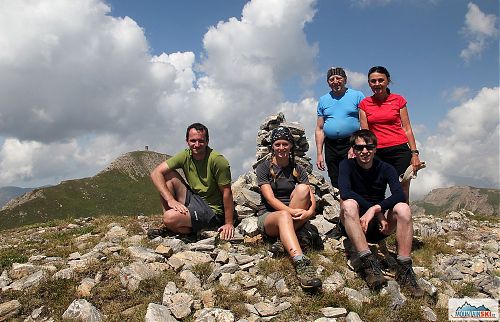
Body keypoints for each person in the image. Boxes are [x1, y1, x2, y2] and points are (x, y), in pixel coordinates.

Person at [338, 129, 424, 297]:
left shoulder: (386, 168)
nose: (365, 151)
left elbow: (399, 194)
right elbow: (345, 192)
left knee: (403, 208)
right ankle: (369, 264)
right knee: (348, 204)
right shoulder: (346, 165)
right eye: (359, 148)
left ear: (375, 149)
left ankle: (404, 269)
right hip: (353, 224)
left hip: (378, 226)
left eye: (369, 147)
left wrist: (375, 209)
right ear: (353, 150)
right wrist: (376, 212)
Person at [256, 126, 322, 289]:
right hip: (270, 217)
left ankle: (283, 241)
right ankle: (301, 263)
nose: (281, 148)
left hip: (293, 215)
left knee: (303, 189)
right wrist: (291, 212)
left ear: (291, 145)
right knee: (284, 216)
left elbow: (309, 194)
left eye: (285, 144)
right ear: (272, 146)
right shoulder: (263, 168)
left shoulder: (298, 169)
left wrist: (310, 212)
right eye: (277, 144)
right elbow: (270, 199)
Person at [148, 123, 235, 240]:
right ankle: (174, 223)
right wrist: (171, 200)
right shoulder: (185, 155)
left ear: (207, 141)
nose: (197, 145)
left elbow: (226, 192)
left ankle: (181, 226)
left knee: (169, 217)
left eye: (201, 141)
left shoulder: (218, 160)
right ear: (187, 141)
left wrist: (229, 223)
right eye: (193, 141)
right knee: (168, 175)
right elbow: (155, 173)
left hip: (212, 211)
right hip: (195, 198)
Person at [359, 66, 423, 201]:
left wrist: (414, 153)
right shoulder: (364, 104)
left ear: (388, 81)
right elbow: (365, 133)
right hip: (376, 152)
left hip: (399, 151)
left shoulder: (398, 100)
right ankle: (378, 220)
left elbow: (407, 128)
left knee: (402, 188)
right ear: (369, 83)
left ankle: (402, 220)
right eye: (373, 81)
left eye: (381, 80)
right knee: (375, 188)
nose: (377, 84)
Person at [316, 67, 365, 188]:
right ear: (328, 82)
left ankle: (357, 205)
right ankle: (339, 205)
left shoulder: (357, 95)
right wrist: (319, 154)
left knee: (353, 176)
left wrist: (356, 145)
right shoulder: (323, 100)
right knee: (335, 178)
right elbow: (320, 128)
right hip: (331, 144)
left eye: (339, 78)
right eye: (331, 79)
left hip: (351, 142)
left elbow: (364, 123)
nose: (335, 81)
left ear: (345, 80)